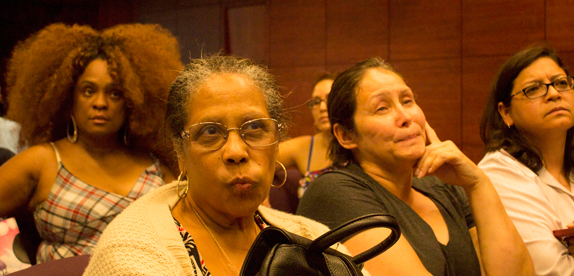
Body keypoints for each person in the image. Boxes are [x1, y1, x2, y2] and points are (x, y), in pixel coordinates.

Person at [82, 55, 365, 276]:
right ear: (181, 152)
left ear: (277, 142)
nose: (236, 151)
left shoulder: (311, 237)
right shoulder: (134, 254)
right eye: (210, 132)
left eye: (254, 128)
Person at [297, 57, 534, 276]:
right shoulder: (332, 193)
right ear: (346, 135)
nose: (405, 116)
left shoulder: (443, 187)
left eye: (407, 101)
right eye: (382, 108)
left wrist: (477, 184)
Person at [0, 23, 182, 263]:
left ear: (132, 101)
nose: (100, 103)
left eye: (114, 93)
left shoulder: (158, 168)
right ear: (68, 97)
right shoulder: (43, 161)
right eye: (88, 91)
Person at [478, 44, 574, 275]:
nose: (554, 94)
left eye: (561, 83)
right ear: (506, 113)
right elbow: (550, 270)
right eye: (533, 89)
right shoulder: (498, 174)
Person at [278, 73, 335, 197]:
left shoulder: (358, 145)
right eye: (316, 102)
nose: (322, 107)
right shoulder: (305, 147)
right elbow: (260, 160)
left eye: (329, 98)